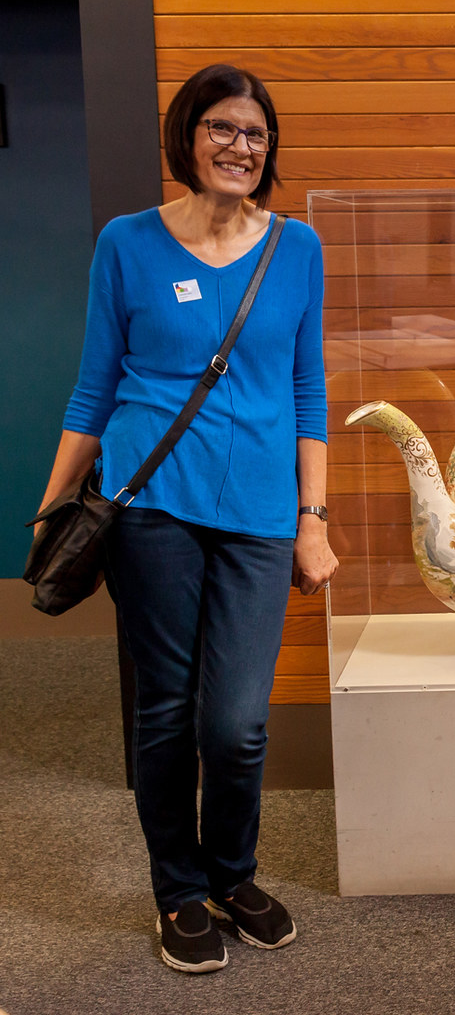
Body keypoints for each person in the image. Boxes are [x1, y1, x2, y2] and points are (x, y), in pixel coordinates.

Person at [35, 64, 338, 971]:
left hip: (258, 514)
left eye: (253, 133)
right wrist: (56, 505)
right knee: (166, 709)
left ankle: (231, 873)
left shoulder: (299, 247)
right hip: (149, 506)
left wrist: (313, 518)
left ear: (268, 148)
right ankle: (179, 892)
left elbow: (307, 389)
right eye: (220, 128)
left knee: (238, 721)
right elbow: (96, 386)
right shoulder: (126, 243)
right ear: (186, 137)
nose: (238, 147)